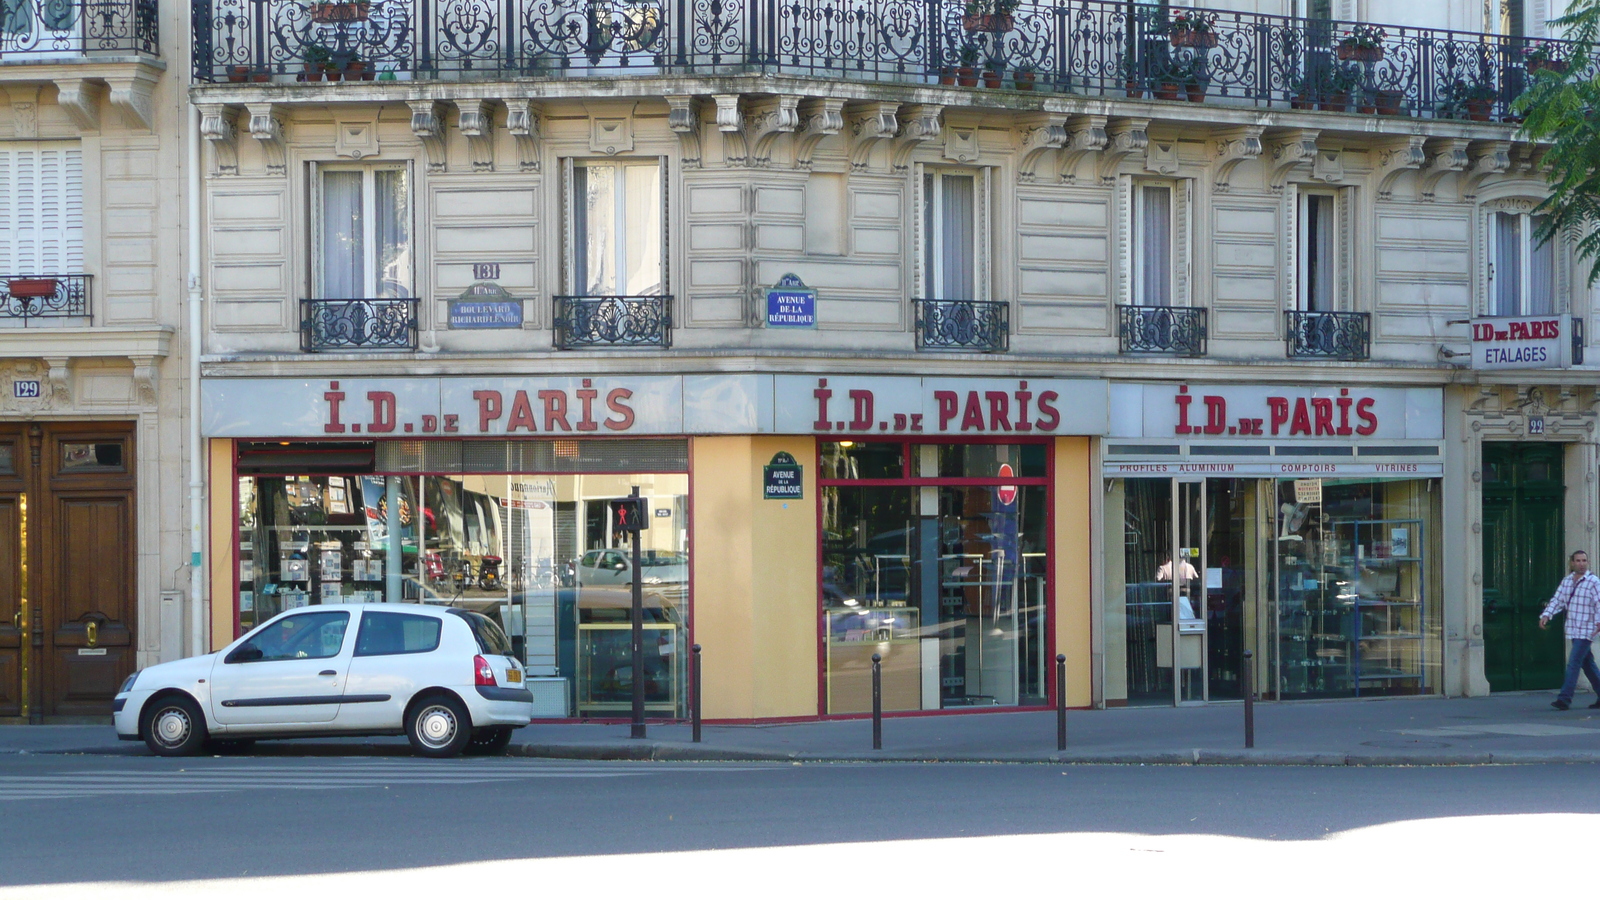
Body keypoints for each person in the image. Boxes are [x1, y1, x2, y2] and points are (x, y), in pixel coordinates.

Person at [1539, 550, 1600, 710]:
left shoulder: (1594, 582)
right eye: (1578, 561)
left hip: (1587, 629)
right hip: (1573, 628)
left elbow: (1599, 602)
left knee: (1574, 662)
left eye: (1584, 560)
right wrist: (1546, 615)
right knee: (1588, 664)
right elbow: (1557, 600)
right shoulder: (1567, 581)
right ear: (1572, 563)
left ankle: (1564, 698)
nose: (1581, 563)